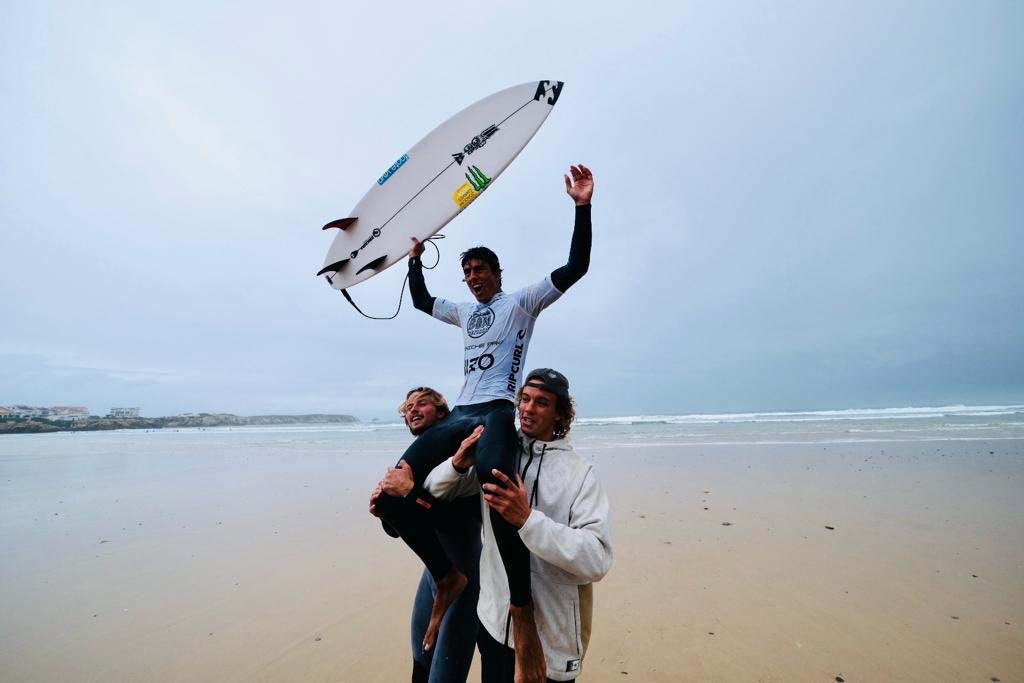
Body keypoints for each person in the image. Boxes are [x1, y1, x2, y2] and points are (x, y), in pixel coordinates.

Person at [385, 164, 594, 682]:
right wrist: (414, 260)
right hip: (461, 412)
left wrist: (582, 206)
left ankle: (520, 610)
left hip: (499, 409)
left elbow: (577, 266)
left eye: (482, 269)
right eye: (469, 271)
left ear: (497, 274)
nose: (474, 277)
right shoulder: (462, 312)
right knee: (390, 492)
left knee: (501, 490)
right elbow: (421, 300)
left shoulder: (522, 302)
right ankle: (446, 575)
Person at [424, 368, 613, 682]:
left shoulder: (581, 474)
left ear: (559, 413)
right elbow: (435, 490)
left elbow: (597, 560)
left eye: (541, 402)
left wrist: (527, 520)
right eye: (524, 399)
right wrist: (458, 462)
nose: (527, 408)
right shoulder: (499, 457)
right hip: (494, 625)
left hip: (551, 638)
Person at [369, 387, 483, 683]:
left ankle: (449, 580)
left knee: (445, 673)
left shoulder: (460, 459)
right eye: (408, 408)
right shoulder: (418, 466)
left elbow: (455, 522)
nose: (413, 410)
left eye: (422, 404)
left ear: (442, 413)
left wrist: (408, 494)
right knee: (421, 661)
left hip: (464, 572)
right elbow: (398, 530)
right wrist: (384, 511)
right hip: (434, 573)